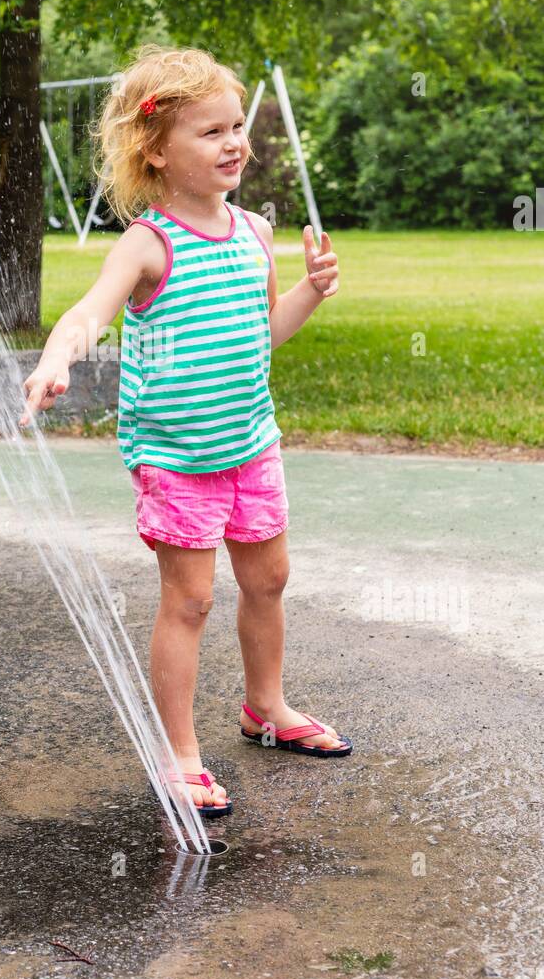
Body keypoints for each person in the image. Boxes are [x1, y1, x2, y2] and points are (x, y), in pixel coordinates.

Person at [20, 45, 351, 819]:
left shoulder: (255, 232)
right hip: (173, 456)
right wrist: (56, 357)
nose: (234, 142)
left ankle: (264, 706)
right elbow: (87, 313)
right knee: (191, 600)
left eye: (236, 126)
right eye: (210, 132)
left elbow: (256, 334)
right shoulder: (149, 242)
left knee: (268, 580)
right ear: (156, 150)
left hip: (249, 443)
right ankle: (180, 755)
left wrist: (309, 290)